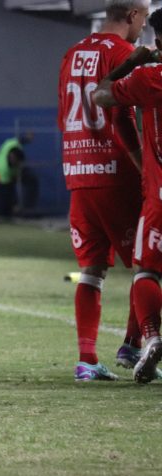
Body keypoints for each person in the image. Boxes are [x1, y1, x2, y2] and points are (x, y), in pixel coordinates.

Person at [58, 0, 148, 381]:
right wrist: (145, 167)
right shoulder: (126, 54)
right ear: (133, 16)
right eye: (144, 18)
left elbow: (64, 114)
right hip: (117, 173)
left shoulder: (72, 53)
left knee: (91, 270)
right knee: (149, 266)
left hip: (79, 172)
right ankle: (132, 344)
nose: (145, 26)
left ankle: (87, 360)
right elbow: (123, 116)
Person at [92, 10, 162, 383]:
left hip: (160, 196)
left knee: (147, 269)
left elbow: (100, 95)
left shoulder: (150, 79)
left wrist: (130, 63)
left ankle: (150, 337)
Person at [0, 133, 34, 218]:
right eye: (13, 160)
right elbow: (8, 187)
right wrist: (15, 203)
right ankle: (4, 215)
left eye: (16, 161)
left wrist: (27, 138)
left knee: (32, 180)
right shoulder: (4, 168)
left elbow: (17, 141)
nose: (14, 160)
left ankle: (27, 208)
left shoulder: (10, 145)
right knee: (4, 196)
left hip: (10, 173)